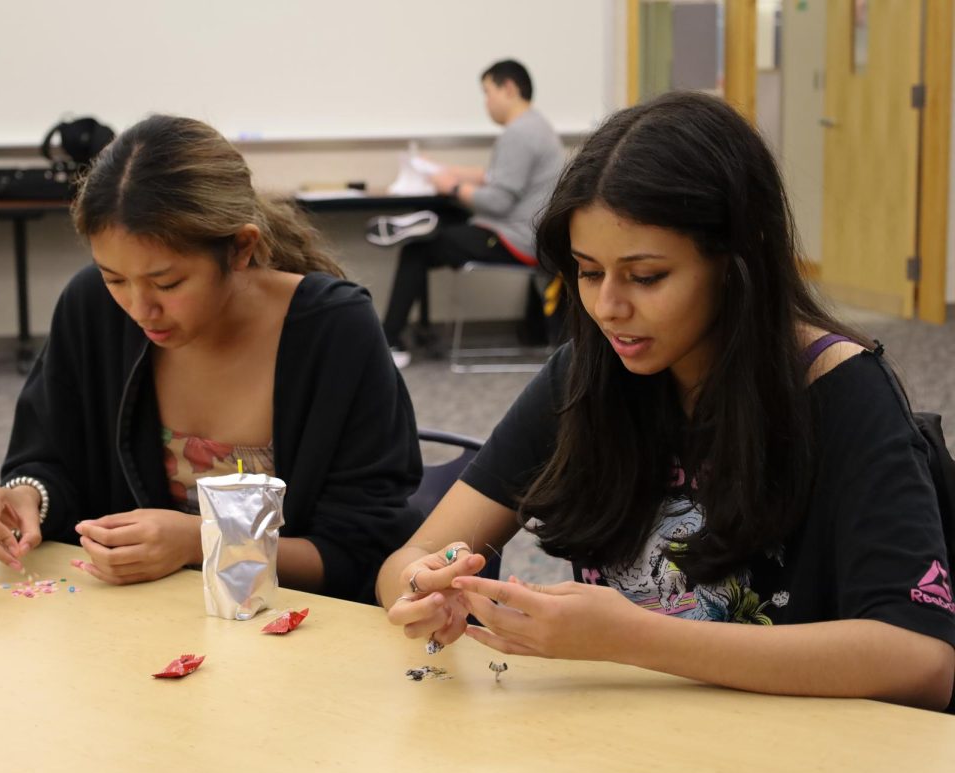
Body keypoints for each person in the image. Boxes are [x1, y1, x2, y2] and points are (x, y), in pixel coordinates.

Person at [376, 91, 955, 711]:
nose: (607, 308)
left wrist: (633, 637)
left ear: (736, 262)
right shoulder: (589, 373)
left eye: (646, 277)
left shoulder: (840, 390)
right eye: (588, 271)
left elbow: (919, 658)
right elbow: (405, 561)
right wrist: (424, 586)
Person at [0, 114, 423, 603]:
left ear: (241, 249)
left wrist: (199, 542)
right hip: (127, 631)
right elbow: (53, 460)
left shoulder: (334, 330)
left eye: (168, 283)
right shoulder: (90, 308)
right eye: (115, 278)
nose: (141, 309)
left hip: (293, 634)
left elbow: (362, 551)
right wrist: (27, 497)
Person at [380, 59, 565, 368]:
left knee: (417, 250)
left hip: (515, 240)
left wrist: (452, 188)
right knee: (443, 226)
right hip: (524, 233)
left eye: (488, 92)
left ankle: (389, 343)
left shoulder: (518, 134)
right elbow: (496, 177)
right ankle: (425, 224)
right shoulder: (535, 126)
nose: (486, 102)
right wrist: (444, 171)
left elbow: (497, 202)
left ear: (509, 88)